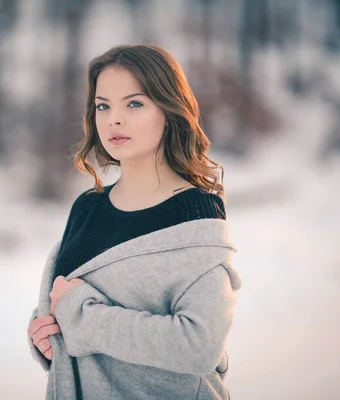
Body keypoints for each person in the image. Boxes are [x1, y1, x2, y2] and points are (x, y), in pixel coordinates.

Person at [26, 43, 242, 400]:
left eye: (134, 103)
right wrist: (45, 335)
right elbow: (60, 306)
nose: (114, 119)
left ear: (170, 111)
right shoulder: (86, 207)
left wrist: (83, 318)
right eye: (103, 106)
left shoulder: (194, 214)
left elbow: (199, 344)